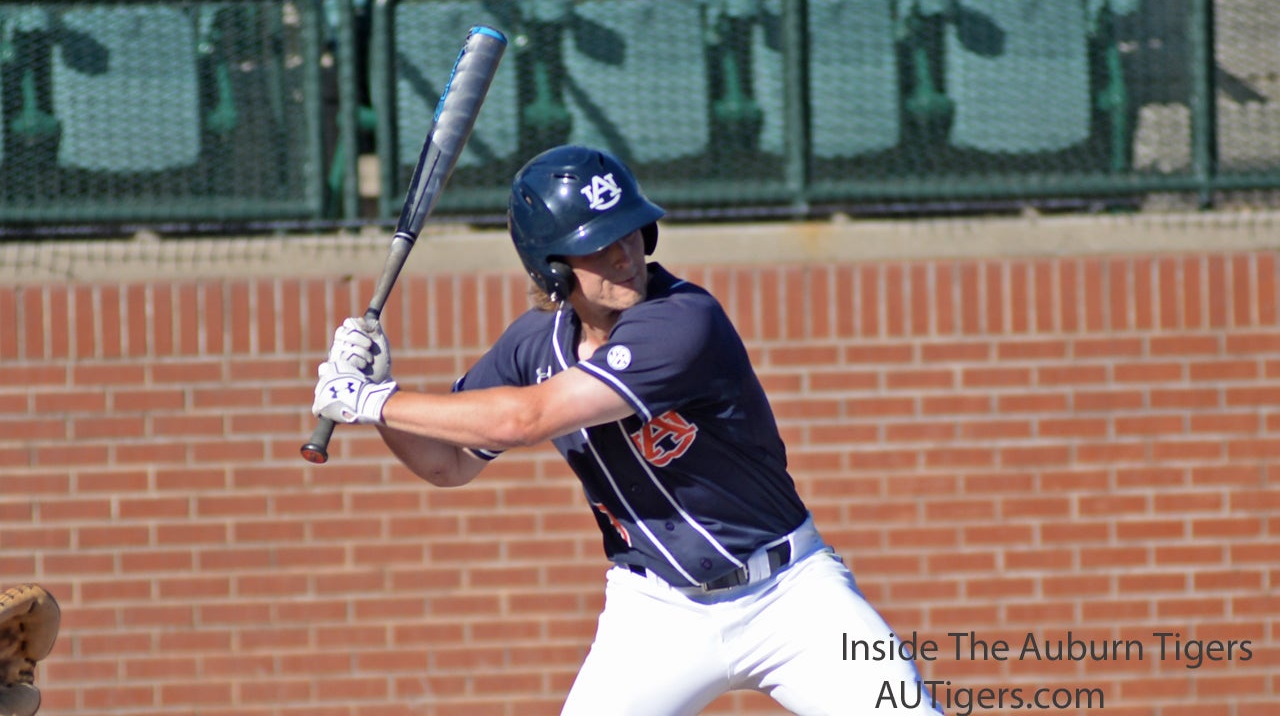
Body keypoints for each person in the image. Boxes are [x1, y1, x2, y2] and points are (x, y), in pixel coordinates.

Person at [312, 145, 945, 716]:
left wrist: (374, 399)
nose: (624, 255)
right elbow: (446, 465)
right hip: (656, 615)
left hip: (791, 596)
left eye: (630, 232)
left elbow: (525, 419)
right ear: (551, 266)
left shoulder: (682, 320)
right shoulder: (533, 345)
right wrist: (378, 397)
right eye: (598, 243)